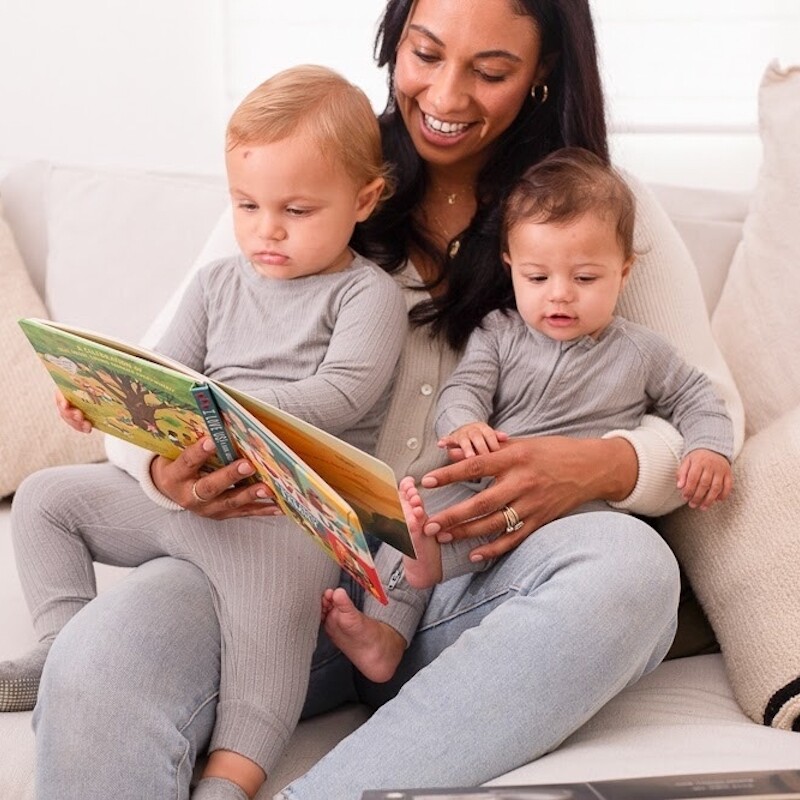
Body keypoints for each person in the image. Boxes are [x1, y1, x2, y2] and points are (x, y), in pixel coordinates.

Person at [29, 1, 744, 799]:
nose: (444, 95)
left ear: (543, 71)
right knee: (99, 657)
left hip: (463, 584)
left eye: (491, 70)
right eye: (425, 54)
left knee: (632, 572)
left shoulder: (594, 206)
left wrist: (604, 465)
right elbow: (144, 385)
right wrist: (167, 474)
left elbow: (706, 406)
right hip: (268, 562)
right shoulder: (302, 174)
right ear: (392, 41)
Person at [4, 64, 407, 799]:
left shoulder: (365, 294)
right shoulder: (217, 283)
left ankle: (234, 775)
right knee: (44, 499)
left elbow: (346, 393)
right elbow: (164, 376)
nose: (267, 229)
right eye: (247, 205)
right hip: (184, 504)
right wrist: (104, 403)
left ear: (365, 199)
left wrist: (229, 404)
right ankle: (62, 642)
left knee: (267, 637)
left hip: (278, 516)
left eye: (297, 209)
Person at [322, 147, 735, 684]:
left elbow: (698, 398)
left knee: (463, 534)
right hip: (489, 489)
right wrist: (465, 426)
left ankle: (430, 574)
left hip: (571, 517)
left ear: (624, 271)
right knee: (420, 508)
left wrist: (708, 448)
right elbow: (463, 389)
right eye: (539, 278)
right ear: (510, 266)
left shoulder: (641, 351)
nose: (560, 295)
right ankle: (387, 638)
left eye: (586, 278)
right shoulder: (499, 333)